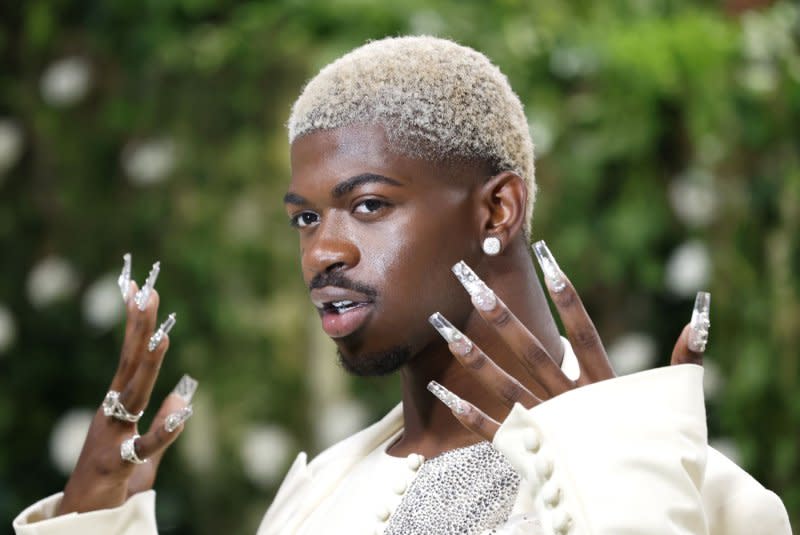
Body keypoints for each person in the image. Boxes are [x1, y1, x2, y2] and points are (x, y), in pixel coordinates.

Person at [13, 36, 791, 534]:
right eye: (304, 219)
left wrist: (612, 474)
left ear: (498, 206)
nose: (324, 252)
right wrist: (91, 519)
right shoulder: (313, 502)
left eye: (369, 205)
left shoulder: (707, 495)